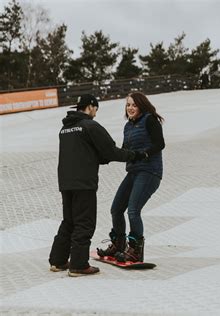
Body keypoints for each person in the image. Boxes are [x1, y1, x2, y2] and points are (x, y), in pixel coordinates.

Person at [49, 94, 146, 277]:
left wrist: (101, 157)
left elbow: (89, 153)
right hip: (84, 183)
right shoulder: (90, 126)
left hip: (66, 182)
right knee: (84, 223)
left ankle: (58, 261)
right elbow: (110, 151)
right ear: (91, 107)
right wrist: (135, 155)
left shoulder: (65, 128)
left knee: (68, 221)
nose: (95, 113)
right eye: (96, 109)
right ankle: (78, 265)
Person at [97, 92, 165, 263]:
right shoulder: (128, 126)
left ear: (141, 106)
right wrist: (104, 157)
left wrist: (145, 154)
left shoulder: (150, 120)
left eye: (134, 105)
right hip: (133, 172)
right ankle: (119, 244)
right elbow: (124, 151)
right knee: (116, 209)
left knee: (133, 211)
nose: (130, 108)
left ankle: (135, 250)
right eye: (128, 105)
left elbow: (160, 143)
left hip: (150, 172)